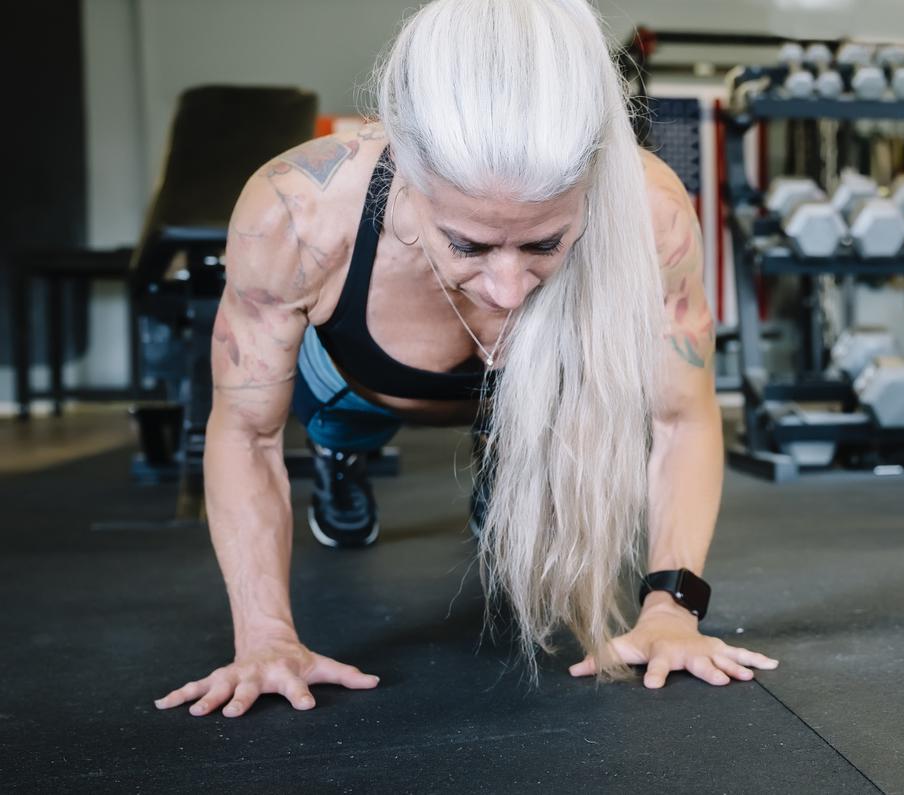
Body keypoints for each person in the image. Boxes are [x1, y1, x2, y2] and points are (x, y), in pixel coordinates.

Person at [153, 0, 777, 719]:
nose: (508, 288)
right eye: (469, 244)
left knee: (529, 441)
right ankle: (340, 457)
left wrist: (672, 608)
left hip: (527, 390)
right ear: (409, 184)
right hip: (356, 385)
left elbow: (680, 421)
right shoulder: (298, 214)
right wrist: (263, 637)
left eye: (543, 243)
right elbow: (247, 432)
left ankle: (503, 458)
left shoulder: (649, 212)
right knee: (335, 419)